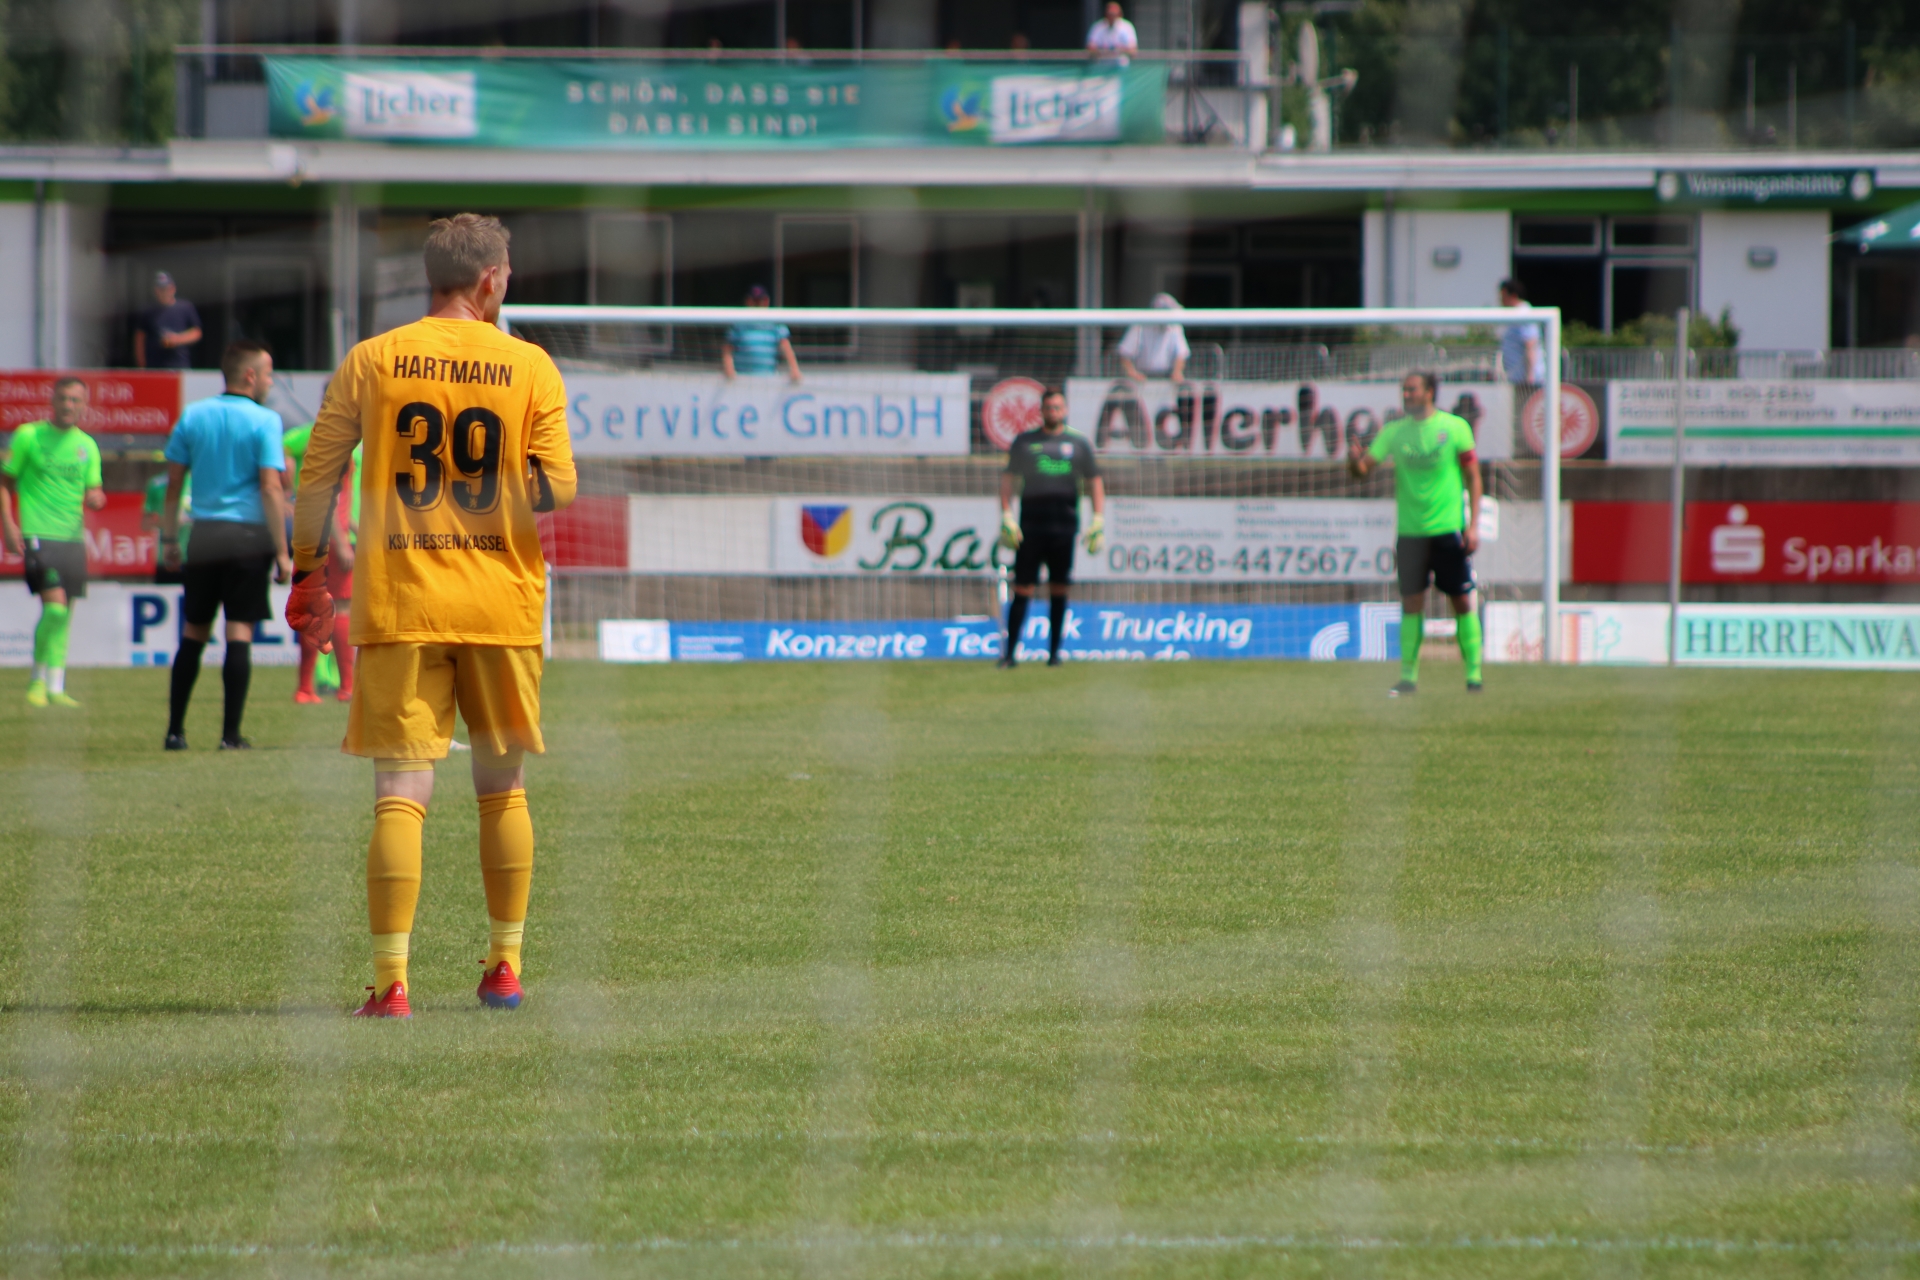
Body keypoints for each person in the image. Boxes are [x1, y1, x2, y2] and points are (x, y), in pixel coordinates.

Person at [284, 213, 577, 1020]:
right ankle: (505, 968)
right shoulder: (530, 365)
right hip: (501, 603)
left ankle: (391, 985)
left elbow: (318, 478)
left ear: (430, 277)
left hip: (402, 601)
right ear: (490, 280)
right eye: (506, 274)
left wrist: (308, 574)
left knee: (401, 792)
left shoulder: (372, 358)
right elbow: (559, 486)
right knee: (502, 788)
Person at [160, 339, 293, 750]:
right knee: (239, 632)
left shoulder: (193, 414)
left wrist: (169, 537)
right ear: (250, 376)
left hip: (203, 535)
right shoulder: (265, 420)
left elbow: (174, 484)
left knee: (193, 632)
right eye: (268, 373)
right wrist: (283, 551)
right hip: (248, 537)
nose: (271, 381)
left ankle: (175, 732)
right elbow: (271, 488)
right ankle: (229, 735)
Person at [1347, 372, 1484, 696]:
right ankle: (1408, 678)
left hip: (1448, 529)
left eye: (1412, 389)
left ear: (1430, 392)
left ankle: (1474, 676)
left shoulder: (1455, 428)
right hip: (1410, 533)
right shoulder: (1394, 432)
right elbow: (1363, 471)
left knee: (1461, 600)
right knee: (1411, 603)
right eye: (1404, 390)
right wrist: (1353, 461)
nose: (1406, 394)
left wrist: (1473, 525)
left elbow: (1473, 477)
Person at [0, 378, 105, 707]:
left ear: (84, 405)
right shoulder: (28, 436)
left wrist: (96, 497)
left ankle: (56, 687)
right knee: (55, 609)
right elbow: (5, 482)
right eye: (63, 398)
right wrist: (8, 525)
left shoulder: (87, 445)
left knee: (65, 615)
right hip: (38, 534)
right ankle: (36, 680)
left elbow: (94, 488)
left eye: (75, 400)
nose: (68, 405)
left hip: (72, 538)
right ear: (52, 400)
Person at [997, 387, 1105, 668]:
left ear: (1064, 410)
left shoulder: (1078, 444)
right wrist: (1007, 514)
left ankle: (1054, 655)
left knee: (1059, 589)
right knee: (1023, 588)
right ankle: (1009, 655)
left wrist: (1098, 518)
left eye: (1057, 407)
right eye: (1048, 408)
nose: (1053, 412)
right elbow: (1008, 478)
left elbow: (1094, 481)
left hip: (1064, 528)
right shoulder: (1025, 442)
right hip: (1030, 527)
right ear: (1041, 411)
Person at [282, 421, 358, 704]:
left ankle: (305, 689)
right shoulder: (339, 443)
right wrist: (342, 540)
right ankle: (347, 687)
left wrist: (356, 528)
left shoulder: (315, 445)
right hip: (331, 540)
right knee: (342, 607)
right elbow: (331, 498)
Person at [721, 285, 802, 383]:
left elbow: (785, 345)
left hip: (768, 378)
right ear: (748, 301)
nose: (757, 305)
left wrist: (794, 369)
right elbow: (728, 348)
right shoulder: (738, 324)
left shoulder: (775, 322)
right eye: (754, 301)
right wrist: (729, 369)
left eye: (760, 301)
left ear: (766, 301)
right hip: (742, 378)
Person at [133, 272, 203, 370]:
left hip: (179, 366)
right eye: (160, 289)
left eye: (166, 289)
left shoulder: (185, 308)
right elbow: (139, 338)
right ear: (155, 290)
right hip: (154, 368)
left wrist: (177, 339)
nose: (164, 292)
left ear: (173, 289)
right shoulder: (148, 312)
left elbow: (197, 333)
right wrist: (142, 365)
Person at [1116, 292, 1190, 383]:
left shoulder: (1175, 326)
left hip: (1167, 377)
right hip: (1142, 378)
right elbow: (1125, 353)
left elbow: (1181, 354)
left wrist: (1177, 372)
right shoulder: (1140, 326)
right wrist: (1133, 373)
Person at [142, 466, 190, 584]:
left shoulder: (201, 483)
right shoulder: (156, 483)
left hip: (196, 558)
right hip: (165, 559)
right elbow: (145, 523)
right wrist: (170, 521)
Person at [1498, 278, 1545, 385]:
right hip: (1517, 379)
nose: (1501, 300)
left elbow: (1530, 344)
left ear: (1513, 296)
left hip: (1526, 381)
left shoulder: (1524, 314)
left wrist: (1530, 378)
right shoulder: (1515, 315)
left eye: (1503, 297)